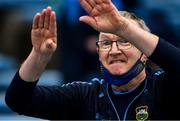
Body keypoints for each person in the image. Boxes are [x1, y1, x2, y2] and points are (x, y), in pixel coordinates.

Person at [5, 0, 180, 120]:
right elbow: (18, 100)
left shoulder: (162, 88)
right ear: (98, 52)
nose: (114, 50)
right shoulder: (85, 96)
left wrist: (123, 27)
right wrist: (39, 55)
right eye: (106, 43)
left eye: (124, 41)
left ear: (144, 52)